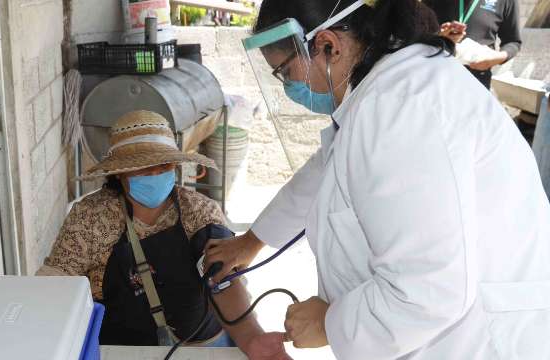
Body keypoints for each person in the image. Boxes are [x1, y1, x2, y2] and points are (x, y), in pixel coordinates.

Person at [204, 0, 550, 359]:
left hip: (479, 343)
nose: (290, 87)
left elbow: (429, 289)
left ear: (328, 45)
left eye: (286, 72)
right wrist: (252, 241)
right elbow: (325, 173)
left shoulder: (399, 106)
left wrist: (329, 324)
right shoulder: (393, 88)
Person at [37, 110, 288, 358]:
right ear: (120, 172)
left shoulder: (198, 210)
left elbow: (223, 278)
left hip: (202, 348)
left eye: (164, 165)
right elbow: (56, 283)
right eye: (143, 168)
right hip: (121, 350)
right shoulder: (91, 217)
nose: (155, 174)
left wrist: (253, 338)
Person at [422, 0, 522, 88]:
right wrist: (439, 37)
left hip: (477, 82)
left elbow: (513, 41)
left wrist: (497, 57)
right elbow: (417, 34)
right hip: (436, 79)